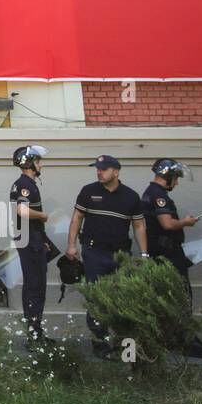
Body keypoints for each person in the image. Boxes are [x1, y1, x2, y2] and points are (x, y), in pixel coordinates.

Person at [65, 154, 148, 360]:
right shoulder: (88, 191)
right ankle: (99, 342)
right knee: (97, 298)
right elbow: (77, 217)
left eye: (103, 169)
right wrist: (71, 245)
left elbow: (139, 225)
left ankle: (124, 345)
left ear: (116, 171)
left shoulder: (131, 197)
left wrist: (145, 254)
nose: (99, 172)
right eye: (98, 169)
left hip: (120, 255)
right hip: (94, 253)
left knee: (122, 298)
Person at [141, 158, 202, 359]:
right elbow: (167, 224)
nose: (177, 182)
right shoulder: (158, 196)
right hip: (168, 256)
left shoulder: (151, 193)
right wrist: (187, 222)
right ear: (168, 176)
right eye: (176, 178)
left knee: (168, 298)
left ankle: (170, 339)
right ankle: (186, 342)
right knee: (182, 297)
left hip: (162, 255)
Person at [10, 143, 55, 346]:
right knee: (36, 287)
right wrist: (43, 216)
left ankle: (35, 332)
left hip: (33, 238)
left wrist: (43, 240)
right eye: (38, 161)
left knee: (33, 285)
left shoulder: (26, 183)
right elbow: (23, 211)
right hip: (29, 240)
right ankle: (35, 336)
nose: (41, 165)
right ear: (29, 163)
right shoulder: (25, 185)